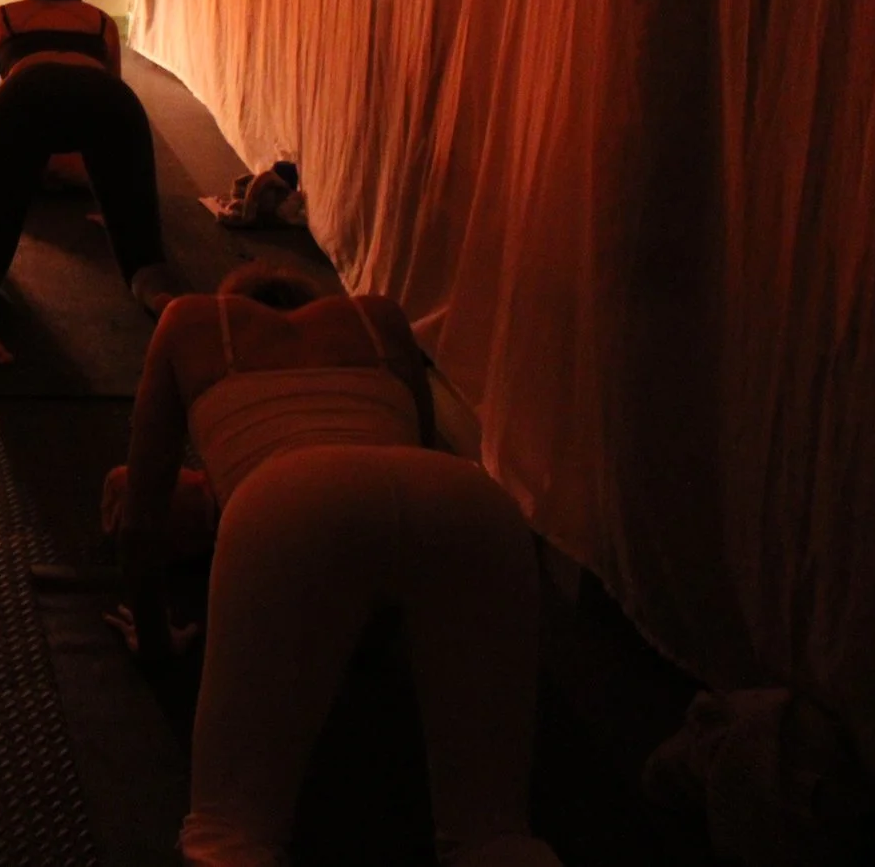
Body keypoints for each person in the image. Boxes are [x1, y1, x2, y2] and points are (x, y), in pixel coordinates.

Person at [116, 266, 558, 867]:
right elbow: (401, 485)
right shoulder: (378, 316)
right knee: (495, 834)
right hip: (469, 504)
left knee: (231, 832)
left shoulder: (190, 318)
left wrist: (158, 642)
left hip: (289, 498)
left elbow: (141, 516)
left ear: (234, 303)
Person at [0, 0, 172, 363]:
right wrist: (114, 206)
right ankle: (167, 302)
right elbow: (103, 127)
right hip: (113, 105)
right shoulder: (102, 22)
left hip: (22, 99)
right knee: (146, 260)